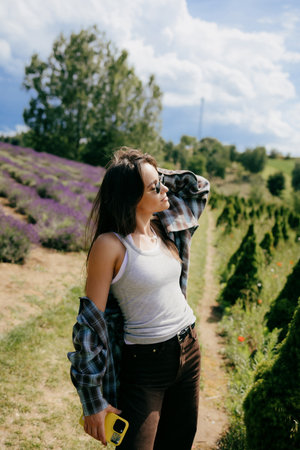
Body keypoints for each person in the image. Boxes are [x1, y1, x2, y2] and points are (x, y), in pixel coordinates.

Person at [68, 147, 210, 449]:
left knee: (178, 443)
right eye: (154, 186)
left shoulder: (164, 227)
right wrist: (92, 400)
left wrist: (145, 170)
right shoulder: (111, 245)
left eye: (161, 181)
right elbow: (89, 325)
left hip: (190, 349)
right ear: (131, 197)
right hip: (147, 363)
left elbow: (199, 187)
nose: (164, 189)